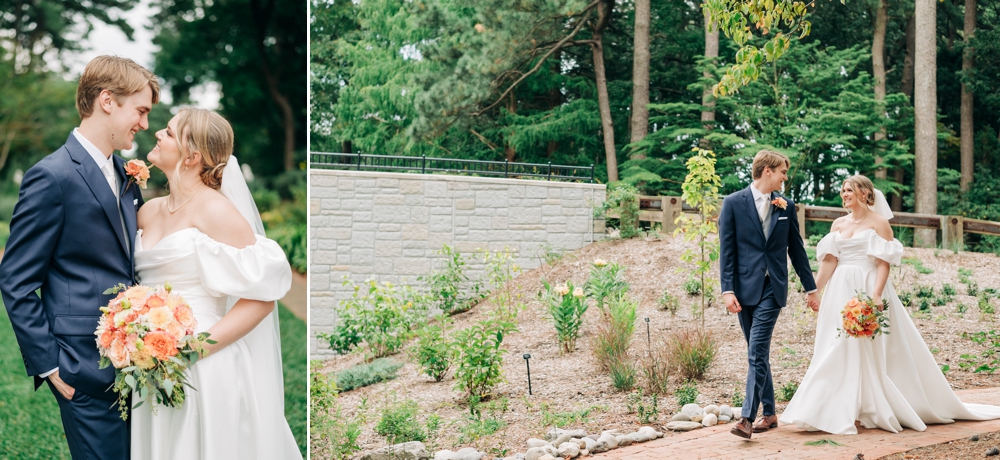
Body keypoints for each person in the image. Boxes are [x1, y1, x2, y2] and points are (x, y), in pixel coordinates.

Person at [0, 55, 158, 459]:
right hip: (81, 366)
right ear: (108, 100)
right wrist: (50, 366)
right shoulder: (51, 177)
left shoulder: (127, 174)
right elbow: (16, 279)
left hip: (136, 359)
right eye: (140, 110)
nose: (144, 123)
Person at [130, 107, 301, 459]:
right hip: (151, 363)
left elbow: (261, 299)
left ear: (192, 156)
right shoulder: (148, 211)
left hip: (206, 365)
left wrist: (192, 351)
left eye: (170, 132)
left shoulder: (216, 210)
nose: (158, 133)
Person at [779, 175, 1000, 434]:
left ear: (864, 193)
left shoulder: (880, 223)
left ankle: (867, 407)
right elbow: (830, 261)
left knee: (865, 348)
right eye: (843, 190)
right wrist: (814, 290)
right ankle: (828, 408)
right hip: (839, 289)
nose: (844, 194)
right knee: (834, 344)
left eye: (849, 189)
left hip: (867, 285)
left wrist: (876, 295)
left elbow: (883, 263)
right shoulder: (837, 224)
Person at [718, 149, 820, 439]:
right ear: (767, 171)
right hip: (742, 289)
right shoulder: (733, 203)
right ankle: (771, 413)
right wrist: (727, 290)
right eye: (782, 172)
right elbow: (726, 251)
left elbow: (797, 250)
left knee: (757, 350)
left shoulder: (786, 206)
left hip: (772, 289)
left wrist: (810, 288)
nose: (785, 177)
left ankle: (747, 418)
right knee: (757, 353)